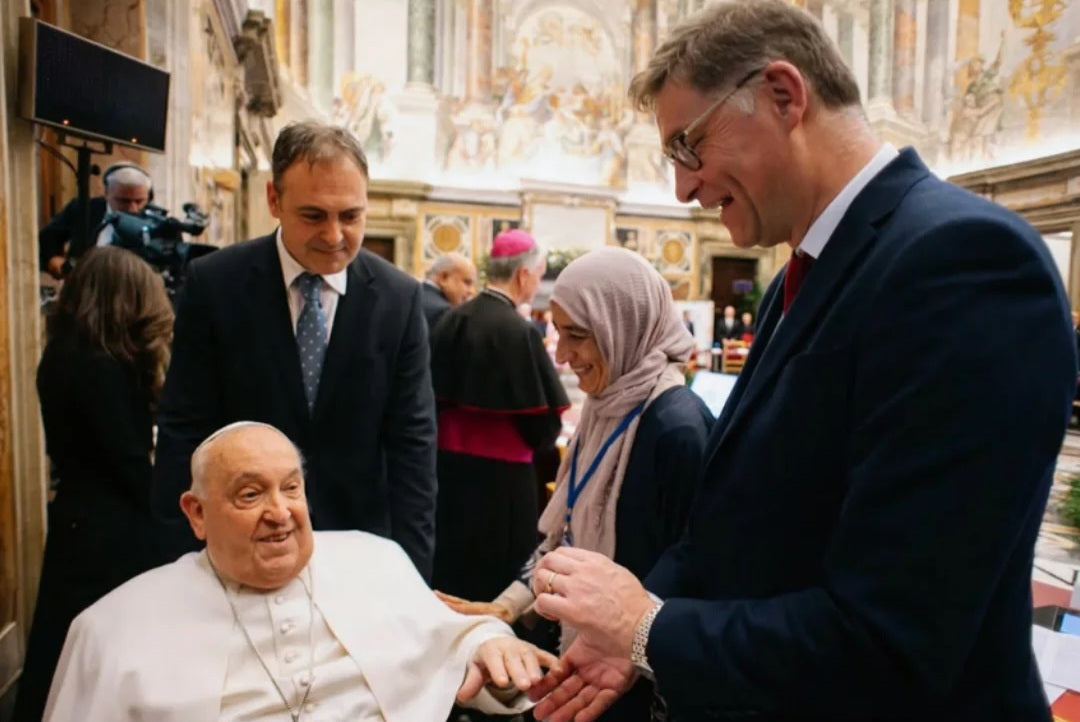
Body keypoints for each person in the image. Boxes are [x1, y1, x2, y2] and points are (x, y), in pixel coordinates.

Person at [526, 3, 1077, 721]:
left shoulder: (961, 261)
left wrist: (650, 629)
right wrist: (631, 633)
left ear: (784, 95)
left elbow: (895, 633)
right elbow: (731, 526)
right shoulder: (803, 278)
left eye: (688, 146)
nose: (683, 188)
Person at [45, 421, 558, 721]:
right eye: (250, 494)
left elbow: (459, 654)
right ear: (196, 514)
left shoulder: (372, 559)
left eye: (291, 488)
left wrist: (492, 642)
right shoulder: (112, 628)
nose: (280, 512)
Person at [153, 121, 437, 579]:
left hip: (357, 549)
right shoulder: (216, 286)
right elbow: (184, 429)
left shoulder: (399, 299)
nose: (334, 235)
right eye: (313, 215)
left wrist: (413, 575)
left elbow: (414, 449)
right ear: (273, 200)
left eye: (351, 216)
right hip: (240, 550)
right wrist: (178, 562)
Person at [440, 247, 713, 721]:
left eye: (577, 337)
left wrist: (634, 642)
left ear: (621, 326)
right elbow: (564, 533)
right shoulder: (605, 406)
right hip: (591, 660)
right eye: (557, 334)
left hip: (636, 681)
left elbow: (694, 571)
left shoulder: (677, 429)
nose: (562, 357)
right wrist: (506, 606)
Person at [15, 247, 174, 721]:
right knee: (102, 648)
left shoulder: (61, 356)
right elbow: (124, 457)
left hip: (79, 518)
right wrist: (169, 509)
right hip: (111, 531)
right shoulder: (99, 369)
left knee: (60, 649)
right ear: (123, 300)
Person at [429, 229, 569, 604]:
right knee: (496, 581)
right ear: (524, 275)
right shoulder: (518, 331)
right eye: (538, 275)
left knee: (452, 574)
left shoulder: (450, 320)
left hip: (448, 476)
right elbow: (543, 425)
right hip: (503, 487)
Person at [38, 163, 153, 279]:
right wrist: (54, 258)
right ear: (107, 193)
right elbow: (48, 238)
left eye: (139, 201)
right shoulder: (84, 208)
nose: (132, 209)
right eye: (124, 201)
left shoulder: (153, 222)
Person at [423, 251, 478, 331]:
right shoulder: (443, 312)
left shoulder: (413, 297)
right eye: (467, 283)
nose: (472, 291)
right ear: (444, 278)